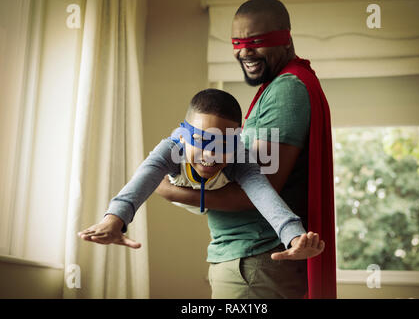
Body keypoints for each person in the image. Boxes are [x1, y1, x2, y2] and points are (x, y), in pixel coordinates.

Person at [155, 0, 336, 299]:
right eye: (237, 42)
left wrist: (171, 191)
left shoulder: (285, 89)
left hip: (254, 264)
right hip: (251, 263)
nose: (244, 52)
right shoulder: (278, 86)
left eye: (256, 42)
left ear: (286, 39)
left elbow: (261, 189)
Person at [78, 89, 325, 267]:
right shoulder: (172, 150)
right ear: (184, 136)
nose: (210, 154)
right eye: (201, 140)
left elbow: (264, 194)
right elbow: (142, 179)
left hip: (208, 192)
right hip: (184, 180)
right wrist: (114, 221)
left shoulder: (238, 156)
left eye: (223, 144)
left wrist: (294, 236)